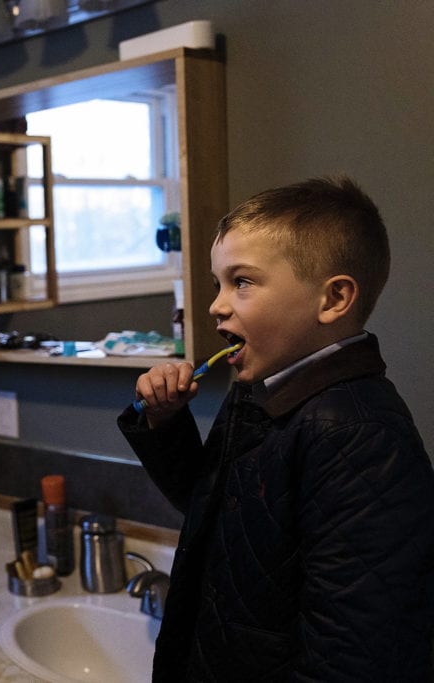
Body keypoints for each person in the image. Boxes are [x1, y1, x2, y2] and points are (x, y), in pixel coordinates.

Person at [118, 176, 434, 681]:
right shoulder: (259, 391)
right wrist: (165, 421)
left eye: (241, 282)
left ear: (333, 299)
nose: (217, 305)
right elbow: (213, 509)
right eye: (218, 284)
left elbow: (353, 653)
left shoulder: (359, 436)